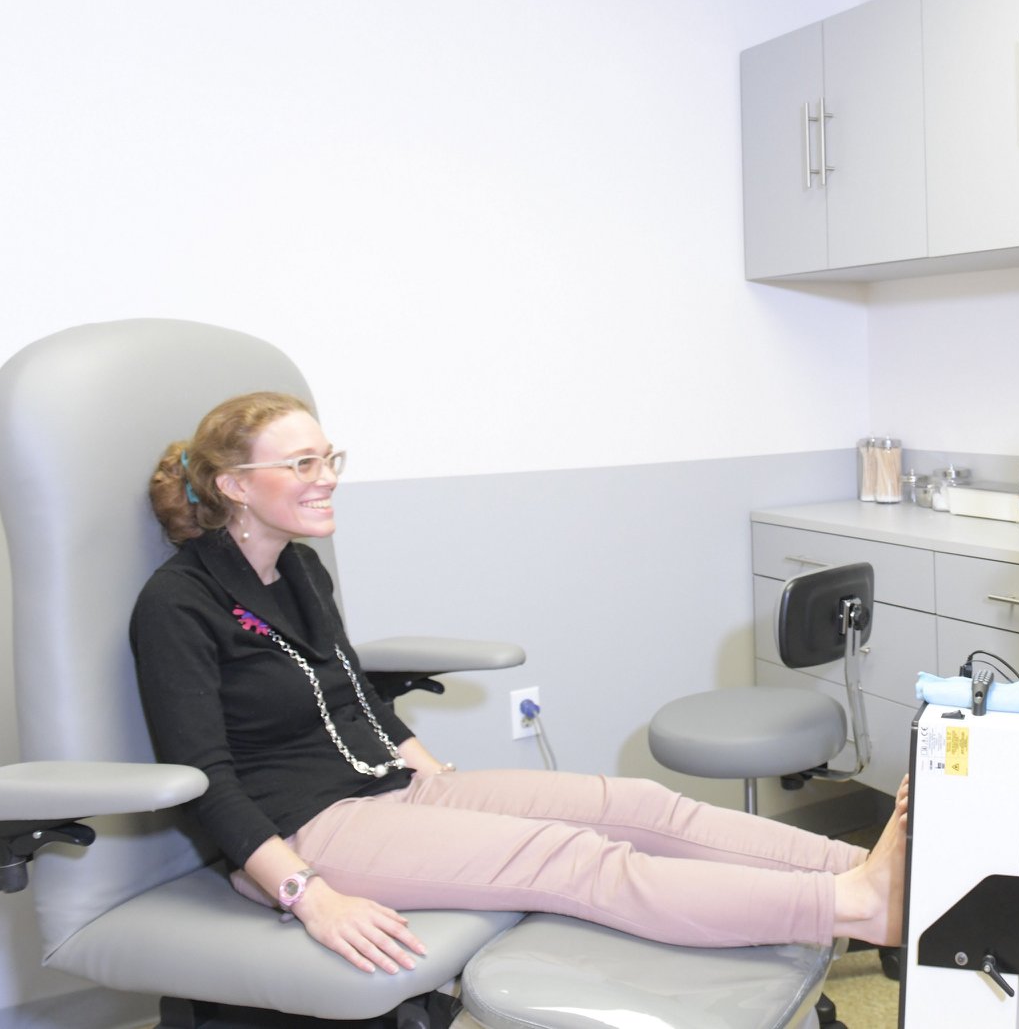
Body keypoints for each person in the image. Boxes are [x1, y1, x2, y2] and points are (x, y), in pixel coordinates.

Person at [131, 390, 907, 977]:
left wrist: (436, 778)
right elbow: (207, 782)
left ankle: (870, 867)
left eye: (330, 458)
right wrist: (310, 896)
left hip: (388, 788)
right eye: (302, 464)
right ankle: (854, 907)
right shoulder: (178, 605)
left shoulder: (298, 567)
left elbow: (354, 694)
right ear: (234, 485)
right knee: (572, 860)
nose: (326, 478)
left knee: (635, 804)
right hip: (304, 834)